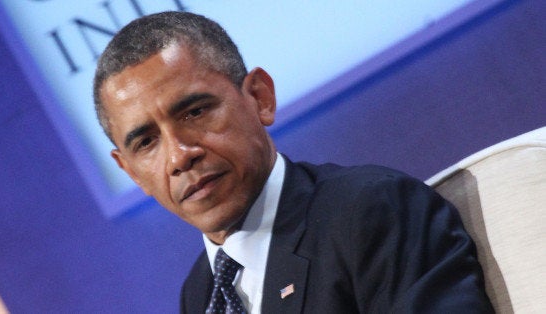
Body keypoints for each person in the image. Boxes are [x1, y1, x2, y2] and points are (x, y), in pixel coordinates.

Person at [93, 11, 493, 313]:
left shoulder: (372, 211)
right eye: (146, 142)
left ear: (260, 97)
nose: (180, 155)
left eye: (195, 112)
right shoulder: (200, 292)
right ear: (130, 171)